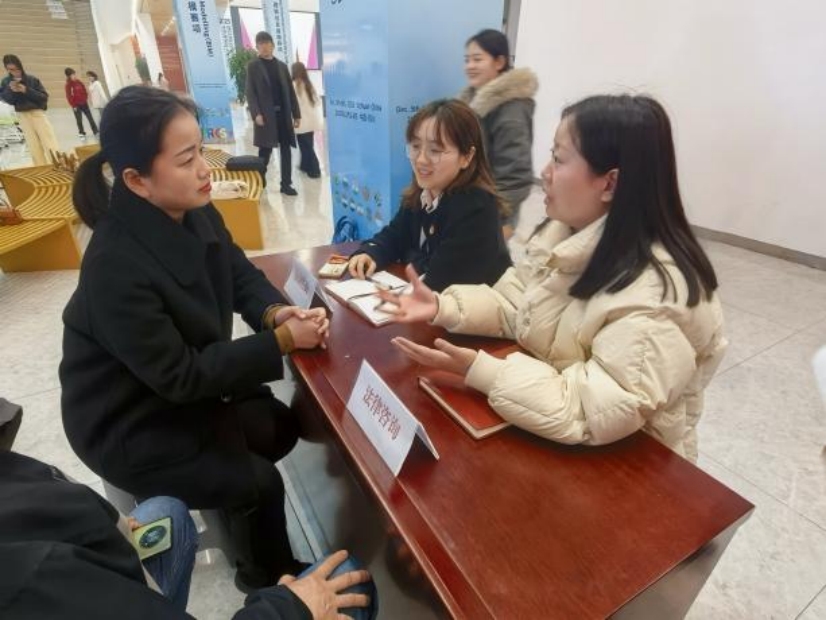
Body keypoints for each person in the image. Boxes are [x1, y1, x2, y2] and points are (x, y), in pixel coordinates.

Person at [60, 85, 330, 592]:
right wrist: (280, 342)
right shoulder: (114, 266)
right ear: (137, 180)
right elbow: (180, 376)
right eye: (186, 160)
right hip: (129, 421)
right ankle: (268, 581)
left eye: (201, 151)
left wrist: (276, 312)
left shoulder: (195, 209)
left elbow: (239, 273)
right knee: (260, 481)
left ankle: (235, 516)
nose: (206, 170)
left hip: (174, 393)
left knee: (277, 425)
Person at [378, 94, 727, 463]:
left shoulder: (656, 296)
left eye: (559, 160)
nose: (544, 173)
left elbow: (585, 409)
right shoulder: (564, 238)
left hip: (630, 467)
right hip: (552, 429)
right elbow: (519, 306)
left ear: (610, 184)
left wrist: (480, 370)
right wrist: (442, 306)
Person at [0, 450, 374, 619]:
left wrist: (111, 523)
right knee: (348, 581)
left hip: (87, 580)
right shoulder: (29, 581)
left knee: (165, 515)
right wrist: (289, 609)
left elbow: (44, 495)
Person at [347, 99, 511, 293]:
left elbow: (438, 280)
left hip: (468, 309)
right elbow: (395, 235)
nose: (421, 159)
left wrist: (410, 256)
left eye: (435, 150)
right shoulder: (424, 192)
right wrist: (371, 252)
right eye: (415, 146)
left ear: (467, 156)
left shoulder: (476, 208)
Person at [459, 29, 537, 240]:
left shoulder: (511, 110)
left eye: (477, 59)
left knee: (486, 257)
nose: (470, 66)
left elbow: (515, 175)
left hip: (494, 209)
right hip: (473, 201)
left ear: (499, 62)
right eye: (467, 60)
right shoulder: (473, 101)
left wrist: (492, 216)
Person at [246, 31, 300, 196]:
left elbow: (290, 92)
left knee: (286, 150)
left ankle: (286, 184)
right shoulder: (253, 66)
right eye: (261, 44)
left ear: (273, 46)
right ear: (257, 47)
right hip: (265, 116)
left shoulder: (282, 66)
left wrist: (296, 114)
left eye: (267, 43)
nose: (264, 47)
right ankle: (259, 182)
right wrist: (256, 114)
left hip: (283, 115)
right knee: (265, 152)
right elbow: (250, 92)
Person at [0, 54, 60, 165]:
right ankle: (41, 171)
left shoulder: (32, 79)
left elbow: (44, 97)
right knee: (34, 147)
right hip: (22, 116)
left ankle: (59, 167)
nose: (13, 72)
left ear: (20, 66)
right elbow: (8, 100)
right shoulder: (6, 82)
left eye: (15, 69)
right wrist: (11, 90)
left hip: (37, 114)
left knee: (50, 143)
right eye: (10, 70)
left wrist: (26, 90)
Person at [291, 61, 321, 179]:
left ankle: (315, 170)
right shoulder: (308, 84)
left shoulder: (293, 85)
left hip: (300, 121)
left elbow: (292, 105)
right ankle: (305, 165)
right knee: (308, 144)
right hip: (311, 120)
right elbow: (317, 102)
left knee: (305, 145)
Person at [64, 67, 99, 139]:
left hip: (84, 103)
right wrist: (74, 105)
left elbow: (84, 90)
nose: (74, 76)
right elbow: (69, 96)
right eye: (72, 75)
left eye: (74, 74)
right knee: (79, 120)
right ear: (69, 76)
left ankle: (95, 131)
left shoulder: (79, 82)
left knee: (90, 118)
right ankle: (81, 133)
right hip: (76, 105)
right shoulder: (68, 85)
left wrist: (85, 98)